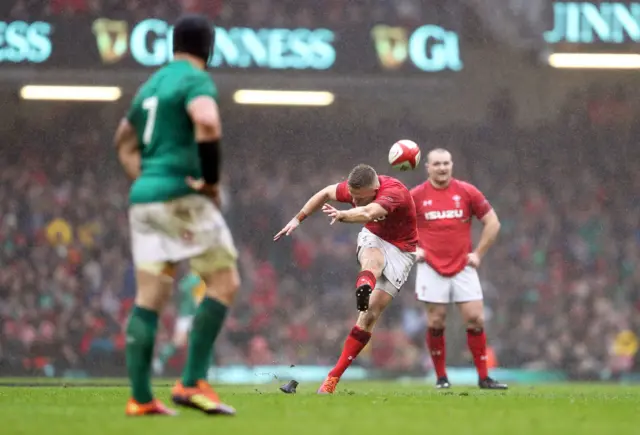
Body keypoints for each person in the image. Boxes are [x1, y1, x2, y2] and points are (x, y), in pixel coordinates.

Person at [115, 14, 239, 416]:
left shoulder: (150, 85)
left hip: (144, 198)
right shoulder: (195, 79)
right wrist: (212, 184)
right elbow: (206, 121)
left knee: (150, 297)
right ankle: (191, 382)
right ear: (210, 48)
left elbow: (123, 142)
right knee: (224, 281)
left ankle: (139, 397)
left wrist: (148, 177)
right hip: (182, 196)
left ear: (173, 45)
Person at [274, 164, 417, 394]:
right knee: (373, 261)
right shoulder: (355, 189)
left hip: (402, 251)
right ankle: (330, 382)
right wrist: (297, 219)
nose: (354, 200)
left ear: (375, 189)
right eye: (352, 196)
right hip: (374, 238)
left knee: (370, 316)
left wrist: (343, 214)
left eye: (359, 198)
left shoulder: (393, 193)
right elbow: (325, 193)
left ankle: (334, 374)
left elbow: (368, 213)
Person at [410, 148, 506, 390]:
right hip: (430, 266)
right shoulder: (416, 196)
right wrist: (413, 249)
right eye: (437, 164)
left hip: (463, 265)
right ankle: (441, 378)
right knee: (436, 322)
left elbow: (493, 222)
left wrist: (479, 253)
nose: (442, 168)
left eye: (446, 163)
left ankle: (484, 378)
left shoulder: (466, 191)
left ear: (452, 165)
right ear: (428, 168)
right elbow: (396, 227)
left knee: (475, 318)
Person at [153, 273, 207, 376]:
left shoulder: (192, 280)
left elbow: (180, 293)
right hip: (187, 315)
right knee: (181, 342)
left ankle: (201, 369)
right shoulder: (193, 280)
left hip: (190, 315)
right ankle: (160, 359)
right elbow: (191, 297)